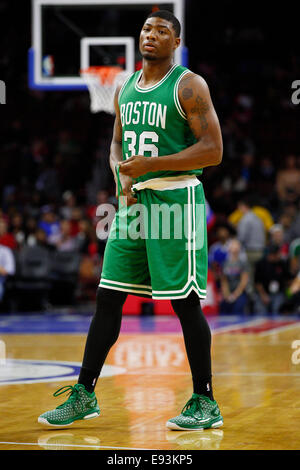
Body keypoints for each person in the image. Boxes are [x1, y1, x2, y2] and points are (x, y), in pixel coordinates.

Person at [38, 10, 223, 431]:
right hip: (134, 206)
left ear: (176, 42)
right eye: (146, 28)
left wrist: (150, 165)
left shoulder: (189, 86)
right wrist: (121, 172)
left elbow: (213, 150)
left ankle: (205, 401)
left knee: (184, 303)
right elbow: (117, 142)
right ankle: (84, 394)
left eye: (162, 31)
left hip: (176, 203)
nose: (151, 35)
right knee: (108, 296)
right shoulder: (124, 85)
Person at [254, 244, 290, 314]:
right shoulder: (260, 264)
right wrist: (263, 295)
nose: (279, 256)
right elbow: (257, 282)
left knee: (277, 309)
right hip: (263, 293)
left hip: (278, 293)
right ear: (272, 254)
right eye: (277, 254)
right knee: (261, 312)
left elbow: (287, 279)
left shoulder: (282, 263)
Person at [220, 239, 249, 315]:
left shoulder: (242, 263)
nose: (235, 248)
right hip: (228, 293)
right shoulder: (225, 263)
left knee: (238, 310)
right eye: (233, 245)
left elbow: (244, 281)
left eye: (236, 245)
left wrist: (235, 295)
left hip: (240, 294)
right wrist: (227, 295)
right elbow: (224, 280)